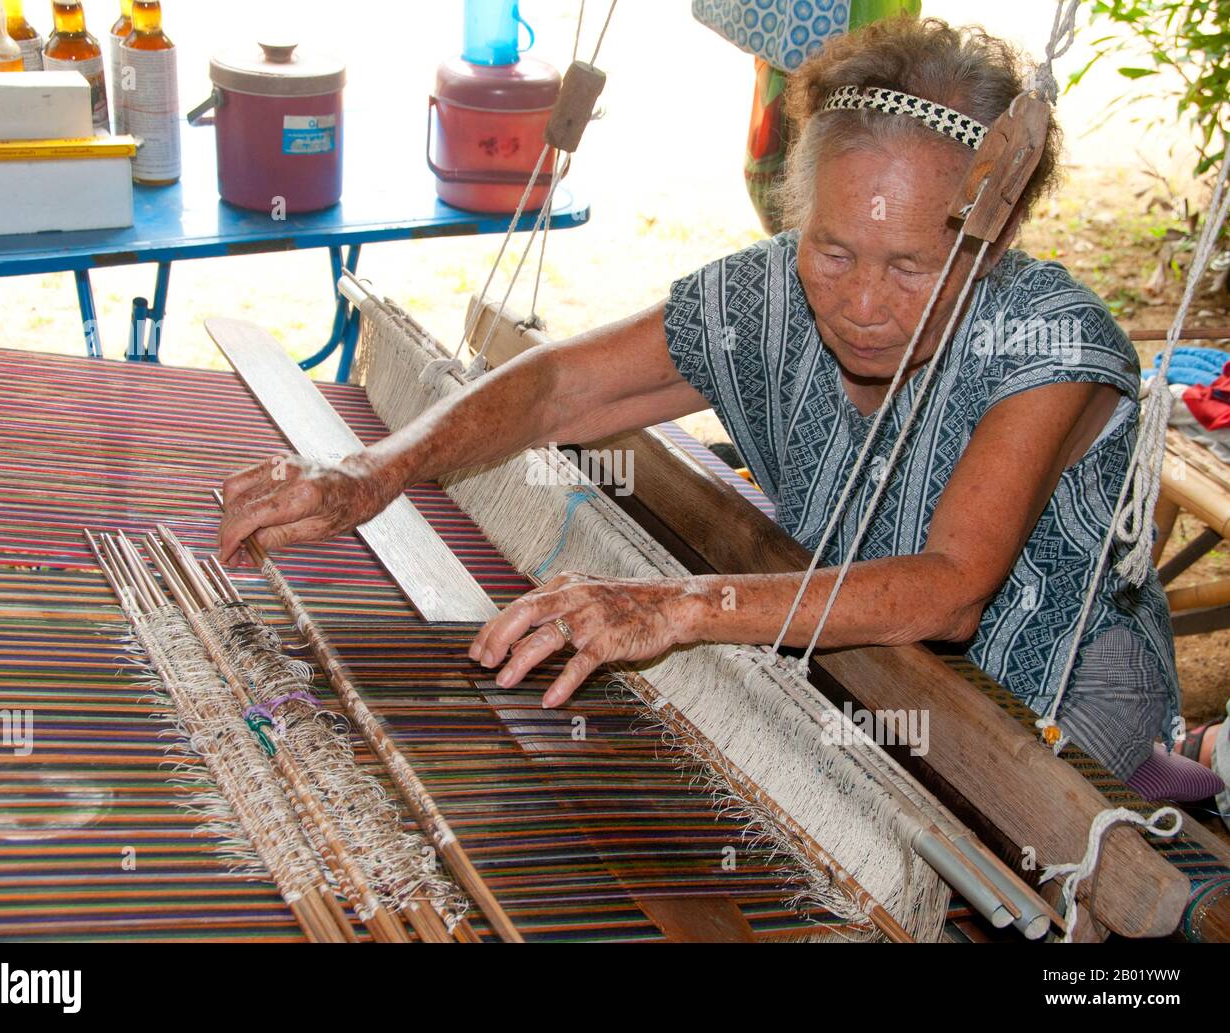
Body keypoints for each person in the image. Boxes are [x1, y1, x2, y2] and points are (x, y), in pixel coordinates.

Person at [218, 17, 1223, 801]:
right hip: (858, 669)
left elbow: (952, 587)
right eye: (832, 249)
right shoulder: (770, 294)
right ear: (796, 213)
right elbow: (561, 382)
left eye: (911, 264)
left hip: (1043, 713)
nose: (861, 301)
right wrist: (370, 471)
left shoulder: (1048, 339)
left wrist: (683, 607)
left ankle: (1169, 773)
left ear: (992, 239)